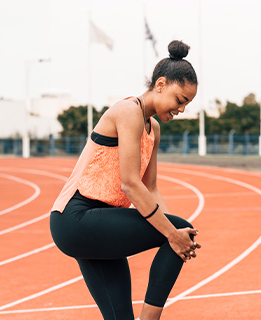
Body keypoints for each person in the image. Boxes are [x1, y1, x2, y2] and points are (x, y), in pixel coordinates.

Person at [50, 40, 201, 320]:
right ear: (160, 84)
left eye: (187, 104)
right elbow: (130, 184)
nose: (182, 109)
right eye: (180, 100)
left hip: (98, 222)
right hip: (75, 217)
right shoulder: (128, 111)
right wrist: (172, 234)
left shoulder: (152, 126)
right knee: (180, 229)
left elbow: (150, 187)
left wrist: (174, 236)